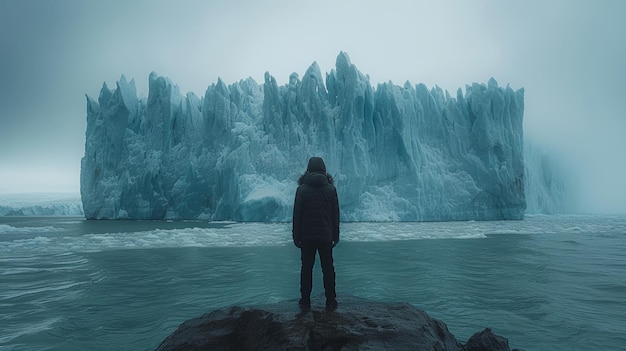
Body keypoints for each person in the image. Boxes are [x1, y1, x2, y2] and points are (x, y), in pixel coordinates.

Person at [292, 156, 340, 310]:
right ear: (323, 170)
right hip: (326, 236)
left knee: (307, 268)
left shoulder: (302, 189)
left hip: (307, 237)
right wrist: (335, 235)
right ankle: (331, 299)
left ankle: (305, 299)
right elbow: (335, 215)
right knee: (328, 267)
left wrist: (296, 236)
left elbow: (297, 215)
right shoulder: (331, 189)